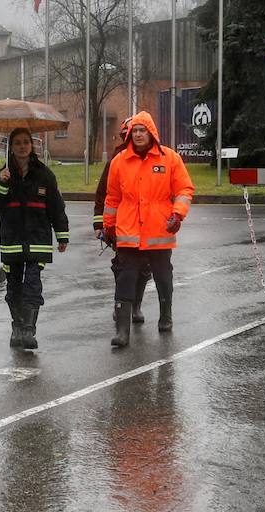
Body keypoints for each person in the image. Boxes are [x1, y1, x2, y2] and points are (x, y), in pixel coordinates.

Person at [102, 110, 194, 347]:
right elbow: (112, 198)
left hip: (159, 231)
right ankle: (122, 332)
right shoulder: (119, 162)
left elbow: (184, 190)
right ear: (129, 134)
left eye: (143, 130)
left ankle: (166, 316)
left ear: (151, 132)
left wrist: (177, 215)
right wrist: (108, 226)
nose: (139, 134)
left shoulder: (170, 159)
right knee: (125, 277)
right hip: (128, 231)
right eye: (135, 131)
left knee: (163, 276)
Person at [0, 128, 69, 350]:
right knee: (13, 287)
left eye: (26, 142)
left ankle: (29, 331)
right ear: (10, 148)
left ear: (32, 146)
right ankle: (17, 327)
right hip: (11, 241)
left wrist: (62, 234)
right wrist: (2, 184)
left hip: (37, 240)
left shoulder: (44, 174)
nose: (22, 147)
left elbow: (56, 207)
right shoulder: (2, 174)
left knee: (32, 285)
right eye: (17, 143)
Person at [93, 116, 152, 324]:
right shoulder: (116, 161)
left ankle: (136, 305)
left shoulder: (153, 159)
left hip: (147, 227)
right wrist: (100, 225)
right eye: (129, 133)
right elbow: (104, 195)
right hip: (122, 227)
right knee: (123, 269)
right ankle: (122, 308)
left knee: (145, 269)